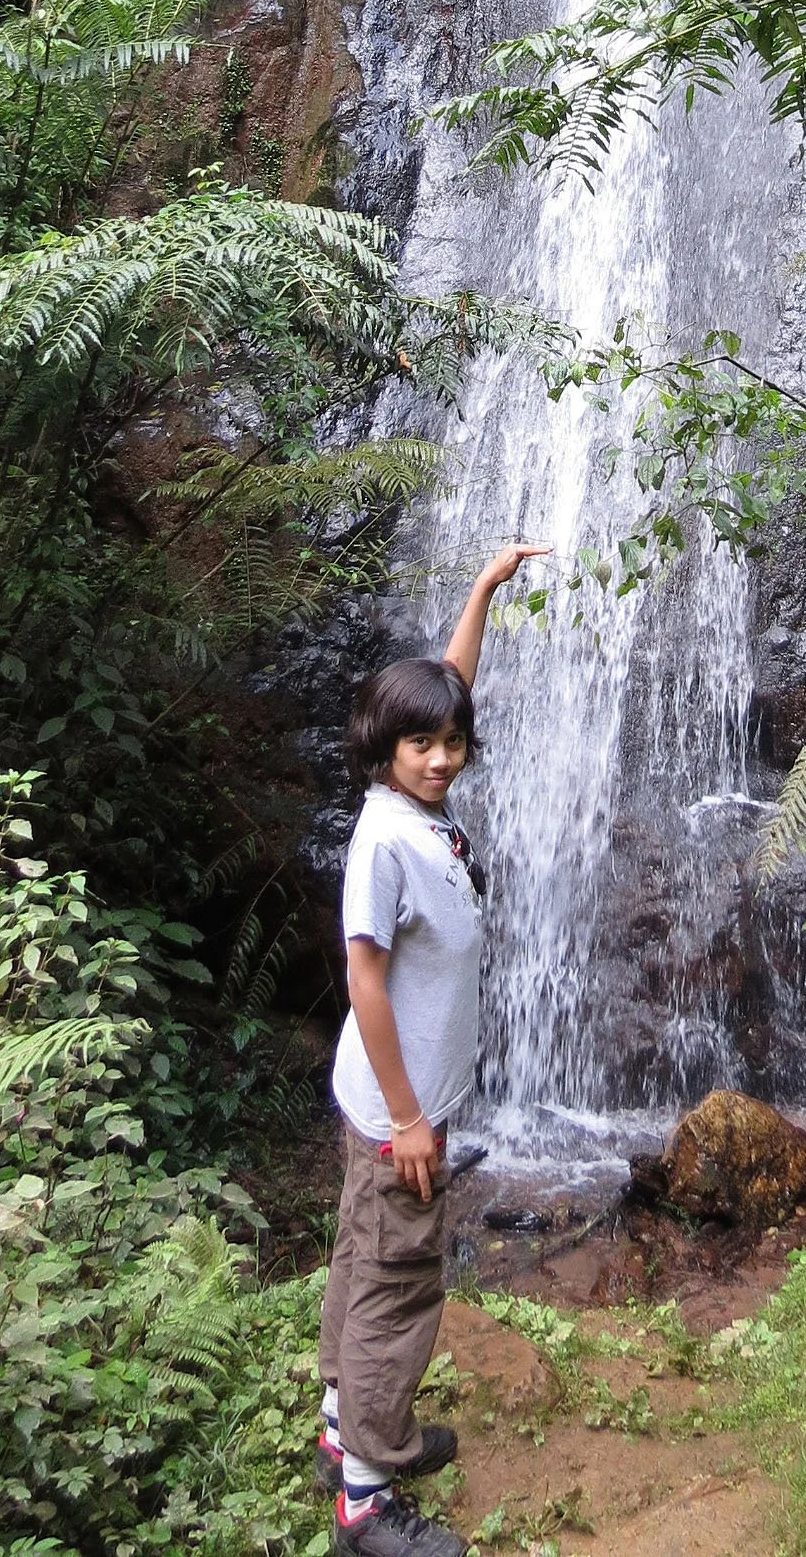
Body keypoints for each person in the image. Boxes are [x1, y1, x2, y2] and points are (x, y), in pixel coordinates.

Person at [316, 542, 549, 1557]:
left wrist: (482, 592)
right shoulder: (384, 843)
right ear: (382, 749)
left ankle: (344, 1433)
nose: (443, 756)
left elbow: (446, 689)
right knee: (398, 1282)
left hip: (403, 1103)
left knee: (362, 1265)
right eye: (423, 745)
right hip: (393, 1115)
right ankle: (366, 1499)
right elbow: (365, 981)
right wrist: (410, 1122)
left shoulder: (420, 810)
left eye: (454, 740)